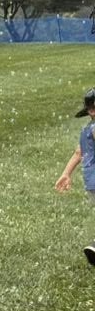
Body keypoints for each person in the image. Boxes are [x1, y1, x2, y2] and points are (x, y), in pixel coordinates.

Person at [53, 88, 95, 266]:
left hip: (91, 183)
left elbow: (78, 153)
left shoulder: (86, 130)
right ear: (91, 111)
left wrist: (66, 174)